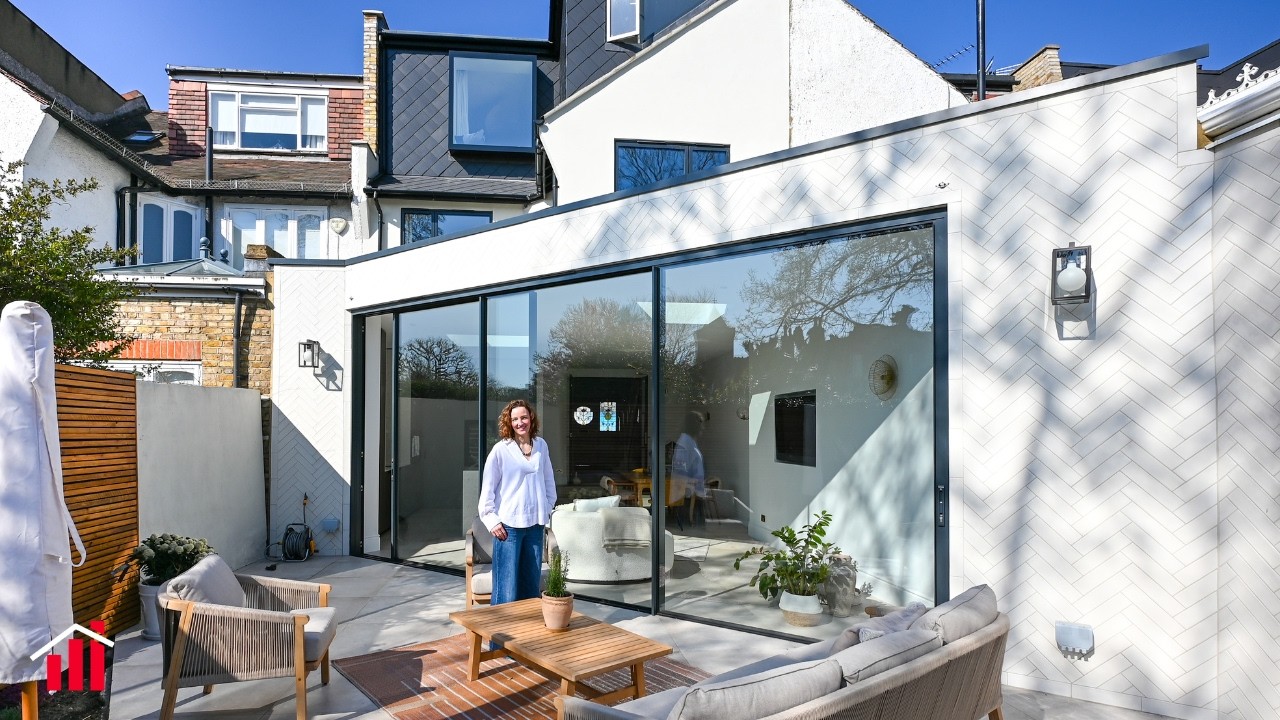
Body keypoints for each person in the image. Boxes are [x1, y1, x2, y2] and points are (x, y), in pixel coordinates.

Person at [478, 399, 556, 606]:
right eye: (514, 419)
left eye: (523, 417)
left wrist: (546, 508)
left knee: (530, 589)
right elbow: (487, 490)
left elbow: (549, 481)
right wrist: (492, 521)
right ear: (508, 422)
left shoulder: (541, 446)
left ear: (531, 418)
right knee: (506, 591)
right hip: (508, 528)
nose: (520, 422)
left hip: (535, 526)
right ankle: (498, 640)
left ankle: (526, 639)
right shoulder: (500, 450)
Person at [671, 411, 706, 517]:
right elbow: (680, 473)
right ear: (694, 425)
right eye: (701, 424)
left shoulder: (690, 442)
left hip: (695, 493)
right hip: (689, 496)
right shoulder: (685, 444)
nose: (703, 428)